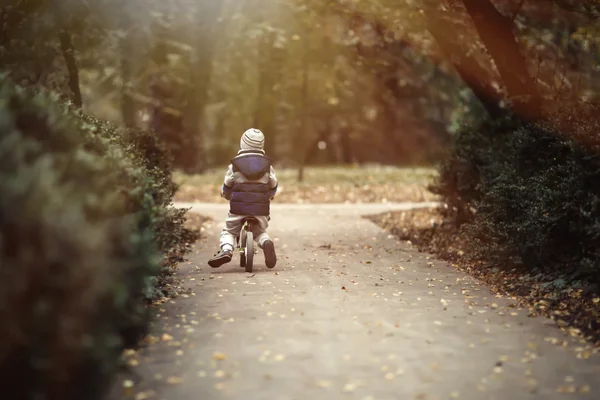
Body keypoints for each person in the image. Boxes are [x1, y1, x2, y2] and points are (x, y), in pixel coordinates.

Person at [208, 128, 278, 269]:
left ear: (243, 144)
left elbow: (227, 185)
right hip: (261, 209)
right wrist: (270, 195)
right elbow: (273, 184)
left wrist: (225, 194)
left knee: (229, 231)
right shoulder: (267, 166)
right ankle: (266, 243)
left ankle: (227, 250)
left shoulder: (234, 166)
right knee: (259, 232)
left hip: (238, 209)